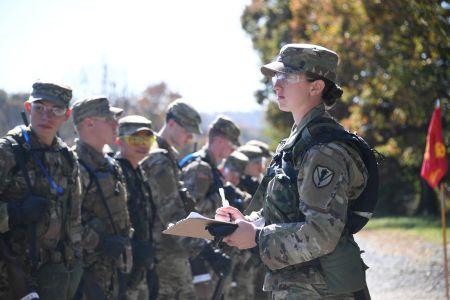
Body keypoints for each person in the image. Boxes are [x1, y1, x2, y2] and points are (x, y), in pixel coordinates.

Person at [216, 43, 371, 299]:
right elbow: (282, 213)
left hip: (321, 289)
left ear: (316, 86)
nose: (276, 85)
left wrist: (255, 236)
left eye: (287, 77)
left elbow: (321, 234)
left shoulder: (324, 150)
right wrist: (245, 223)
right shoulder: (297, 144)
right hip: (299, 285)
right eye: (277, 76)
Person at [0, 81, 83, 300]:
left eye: (56, 110)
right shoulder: (8, 153)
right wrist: (14, 213)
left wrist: (76, 270)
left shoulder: (68, 159)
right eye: (40, 108)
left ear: (67, 115)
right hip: (10, 279)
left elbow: (74, 221)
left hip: (54, 278)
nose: (47, 116)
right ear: (28, 108)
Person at [140, 99, 229, 300]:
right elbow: (171, 213)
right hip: (162, 256)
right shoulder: (158, 159)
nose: (190, 137)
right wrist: (205, 249)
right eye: (187, 130)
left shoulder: (167, 158)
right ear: (171, 123)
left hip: (173, 253)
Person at [71, 96, 132, 300]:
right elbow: (68, 222)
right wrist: (102, 242)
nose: (116, 124)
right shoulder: (75, 166)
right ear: (89, 123)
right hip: (86, 274)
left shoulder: (110, 164)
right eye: (109, 119)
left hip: (113, 270)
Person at [180, 115, 240, 299]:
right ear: (220, 141)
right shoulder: (201, 168)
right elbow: (190, 211)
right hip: (197, 253)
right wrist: (219, 200)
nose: (232, 150)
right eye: (231, 145)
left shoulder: (212, 169)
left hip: (207, 248)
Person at [115, 115, 157, 300]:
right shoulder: (116, 172)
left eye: (147, 138)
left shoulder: (139, 172)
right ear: (119, 142)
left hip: (140, 266)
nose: (142, 144)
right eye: (135, 139)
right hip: (121, 266)